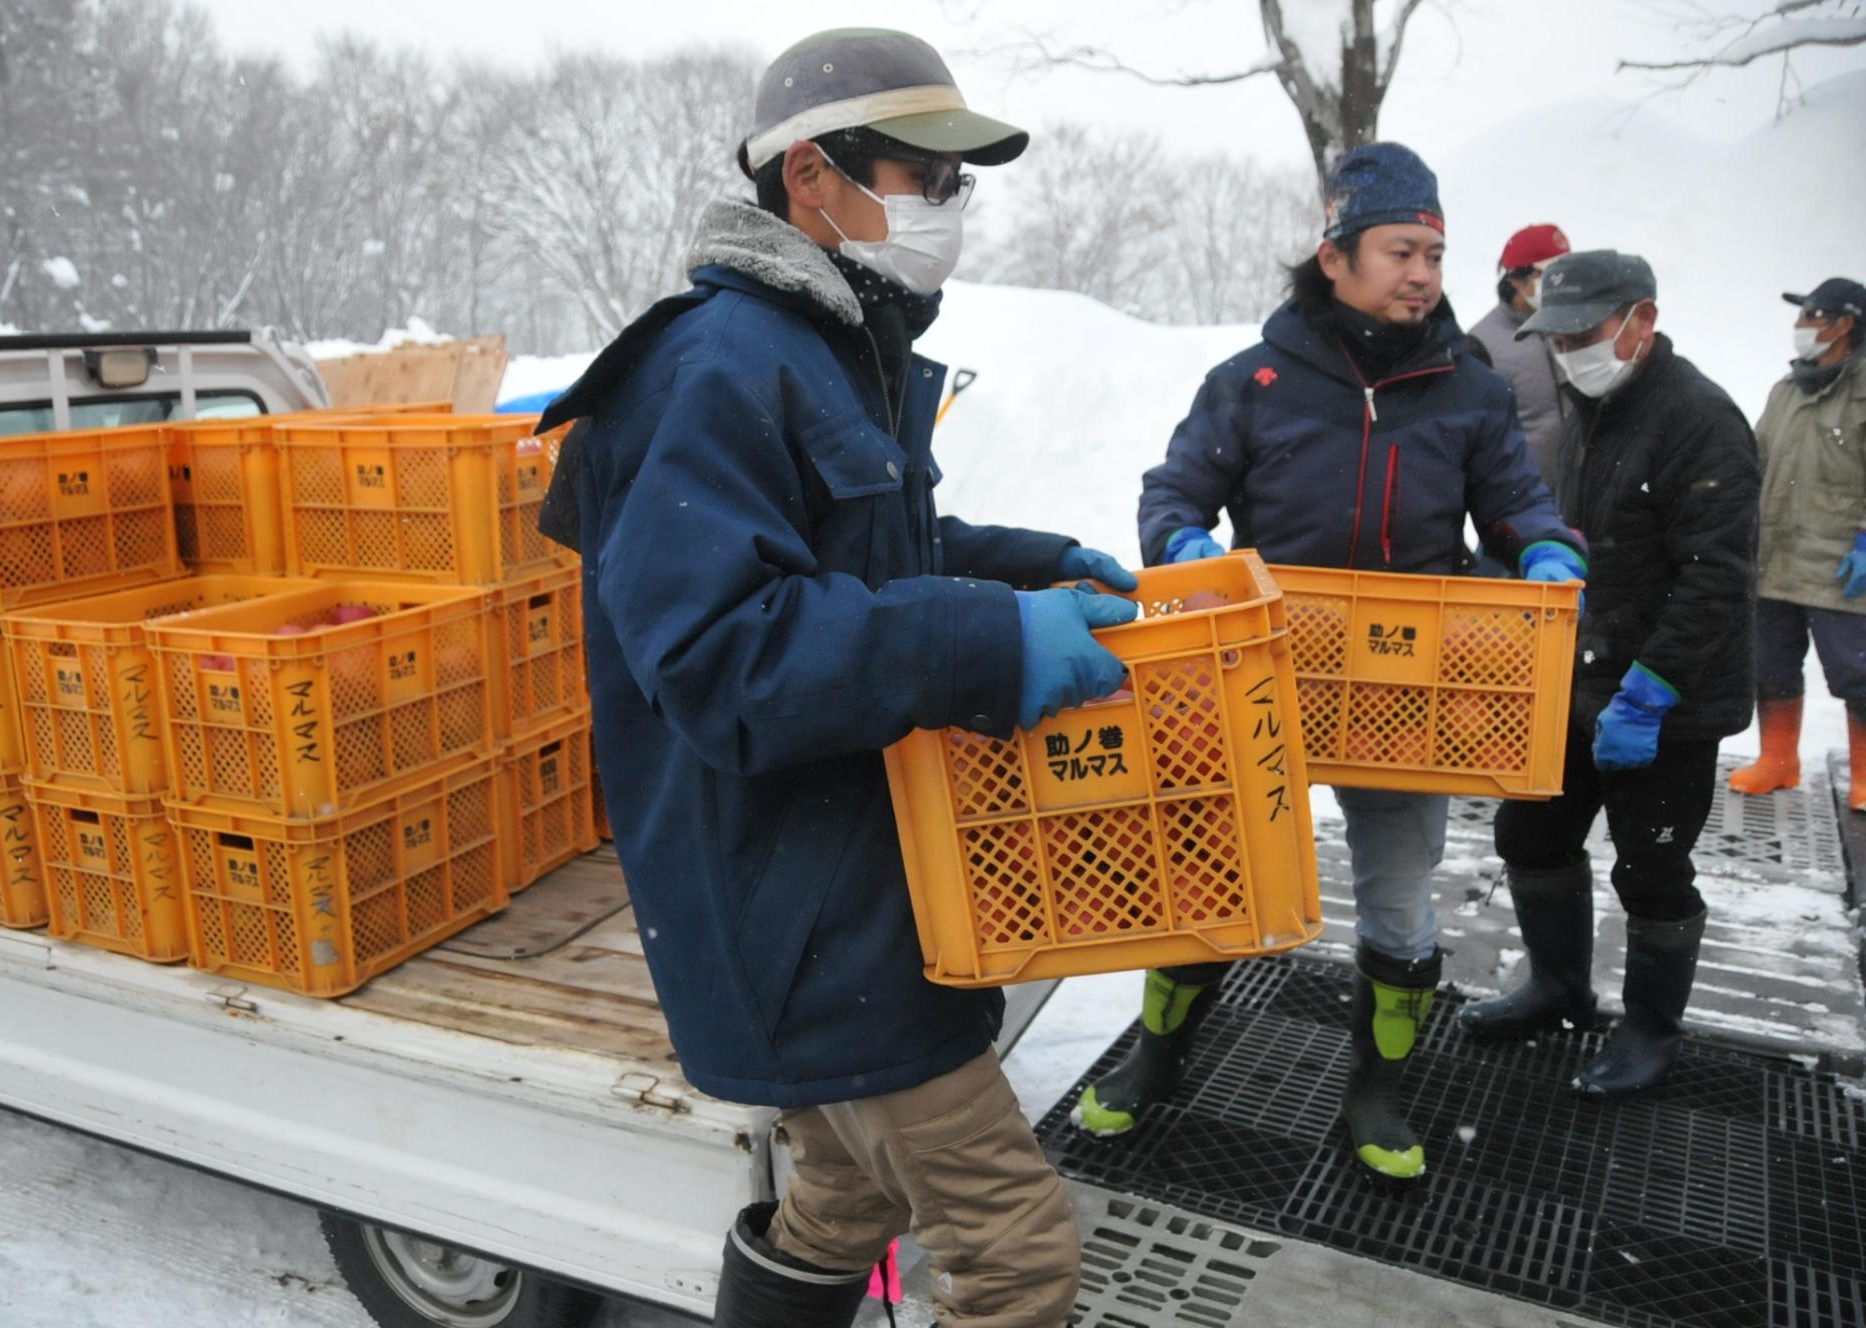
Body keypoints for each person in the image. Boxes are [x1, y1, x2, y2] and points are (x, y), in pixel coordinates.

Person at [534, 28, 1139, 1328]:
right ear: (811, 176)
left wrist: (1027, 571)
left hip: (848, 888)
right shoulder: (715, 369)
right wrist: (986, 643)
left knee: (839, 1203)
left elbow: (867, 555)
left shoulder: (819, 348)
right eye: (932, 176)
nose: (952, 210)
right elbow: (726, 655)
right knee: (1018, 1258)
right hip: (801, 916)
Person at [1097, 143, 1586, 1184]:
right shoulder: (1254, 381)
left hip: (1404, 682)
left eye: (1435, 254)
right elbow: (1173, 492)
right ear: (1335, 255)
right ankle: (1156, 1056)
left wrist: (1542, 545)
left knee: (1399, 898)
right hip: (1258, 669)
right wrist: (1186, 545)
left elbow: (1513, 500)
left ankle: (1374, 1086)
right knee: (1206, 872)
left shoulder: (1467, 385)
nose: (1421, 272)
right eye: (1400, 249)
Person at [1464, 250, 1759, 1100]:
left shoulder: (1701, 420)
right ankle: (1559, 986)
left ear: (1642, 320)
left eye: (1583, 334)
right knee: (1531, 835)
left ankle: (1651, 1030)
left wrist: (1651, 689)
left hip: (1665, 698)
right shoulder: (1589, 401)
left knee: (1652, 866)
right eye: (1553, 337)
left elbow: (1717, 574)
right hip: (1578, 676)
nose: (1566, 352)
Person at [1725, 277, 1866, 807]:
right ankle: (1778, 760)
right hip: (1775, 560)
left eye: (1810, 316)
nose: (1800, 328)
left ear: (1843, 324)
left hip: (1840, 566)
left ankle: (1865, 772)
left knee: (1858, 673)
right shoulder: (1786, 390)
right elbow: (1753, 460)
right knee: (1771, 664)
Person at [1469, 223, 1575, 492]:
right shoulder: (1482, 344)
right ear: (1517, 279)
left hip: (1581, 499)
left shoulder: (1576, 324)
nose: (1564, 282)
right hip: (1520, 507)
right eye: (1552, 273)